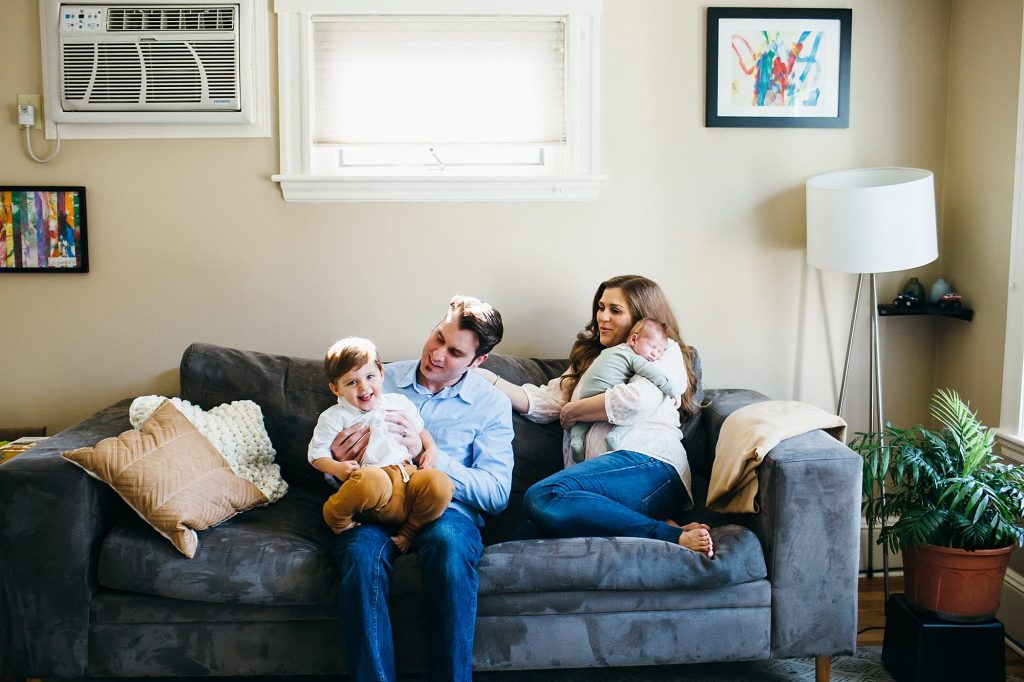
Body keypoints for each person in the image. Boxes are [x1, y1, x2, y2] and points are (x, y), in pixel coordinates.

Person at [325, 295, 514, 682]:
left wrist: (430, 457)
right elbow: (329, 464)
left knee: (449, 546)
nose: (437, 354)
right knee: (359, 557)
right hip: (376, 507)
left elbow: (496, 493)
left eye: (455, 352)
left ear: (478, 362)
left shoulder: (491, 404)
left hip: (447, 512)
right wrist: (336, 465)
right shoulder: (377, 377)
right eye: (438, 337)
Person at [475, 274, 714, 558]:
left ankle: (671, 536)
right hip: (599, 484)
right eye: (601, 307)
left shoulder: (662, 349)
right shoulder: (593, 362)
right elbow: (545, 402)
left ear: (640, 318)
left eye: (615, 310)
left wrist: (574, 410)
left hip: (651, 466)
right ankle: (659, 525)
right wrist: (484, 378)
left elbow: (636, 401)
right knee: (522, 538)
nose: (603, 317)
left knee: (545, 495)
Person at [307, 337, 454, 552]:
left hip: (408, 476)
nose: (364, 387)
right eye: (351, 382)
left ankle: (409, 532)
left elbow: (421, 430)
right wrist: (337, 468)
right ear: (335, 389)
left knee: (439, 483)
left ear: (382, 374)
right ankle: (336, 517)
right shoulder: (334, 417)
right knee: (372, 481)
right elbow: (316, 454)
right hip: (375, 485)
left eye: (369, 376)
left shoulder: (398, 402)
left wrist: (431, 449)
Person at [568, 318, 678, 463]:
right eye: (652, 347)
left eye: (659, 352)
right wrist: (671, 390)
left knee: (582, 422)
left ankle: (576, 440)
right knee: (630, 417)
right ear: (633, 340)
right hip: (604, 395)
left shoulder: (608, 352)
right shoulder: (632, 357)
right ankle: (615, 436)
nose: (655, 355)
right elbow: (651, 373)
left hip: (586, 396)